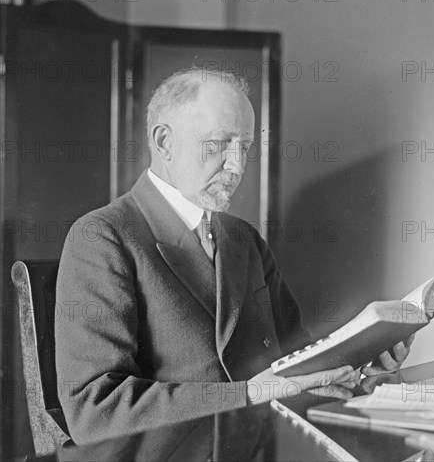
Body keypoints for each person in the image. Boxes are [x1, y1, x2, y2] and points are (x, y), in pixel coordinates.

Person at [55, 68, 413, 445]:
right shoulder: (103, 237)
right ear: (164, 142)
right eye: (220, 143)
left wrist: (358, 371)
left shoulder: (244, 239)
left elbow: (295, 361)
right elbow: (94, 411)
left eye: (244, 147)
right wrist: (247, 394)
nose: (237, 165)